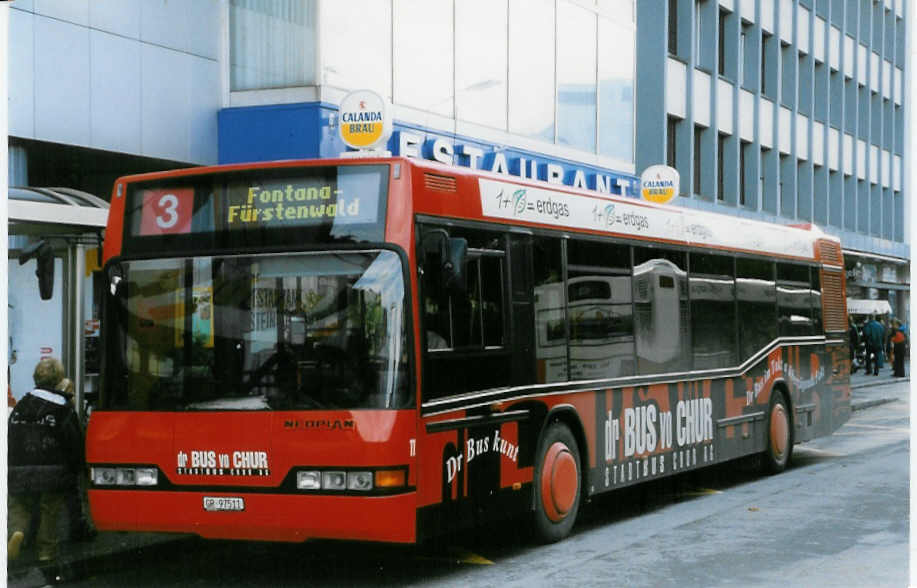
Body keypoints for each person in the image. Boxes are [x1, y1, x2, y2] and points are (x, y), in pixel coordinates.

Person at [8, 358, 84, 569]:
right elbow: (74, 442)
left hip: (19, 466)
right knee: (49, 510)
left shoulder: (21, 406)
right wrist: (77, 468)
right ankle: (46, 553)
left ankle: (17, 530)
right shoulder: (62, 407)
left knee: (19, 504)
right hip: (53, 470)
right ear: (59, 379)